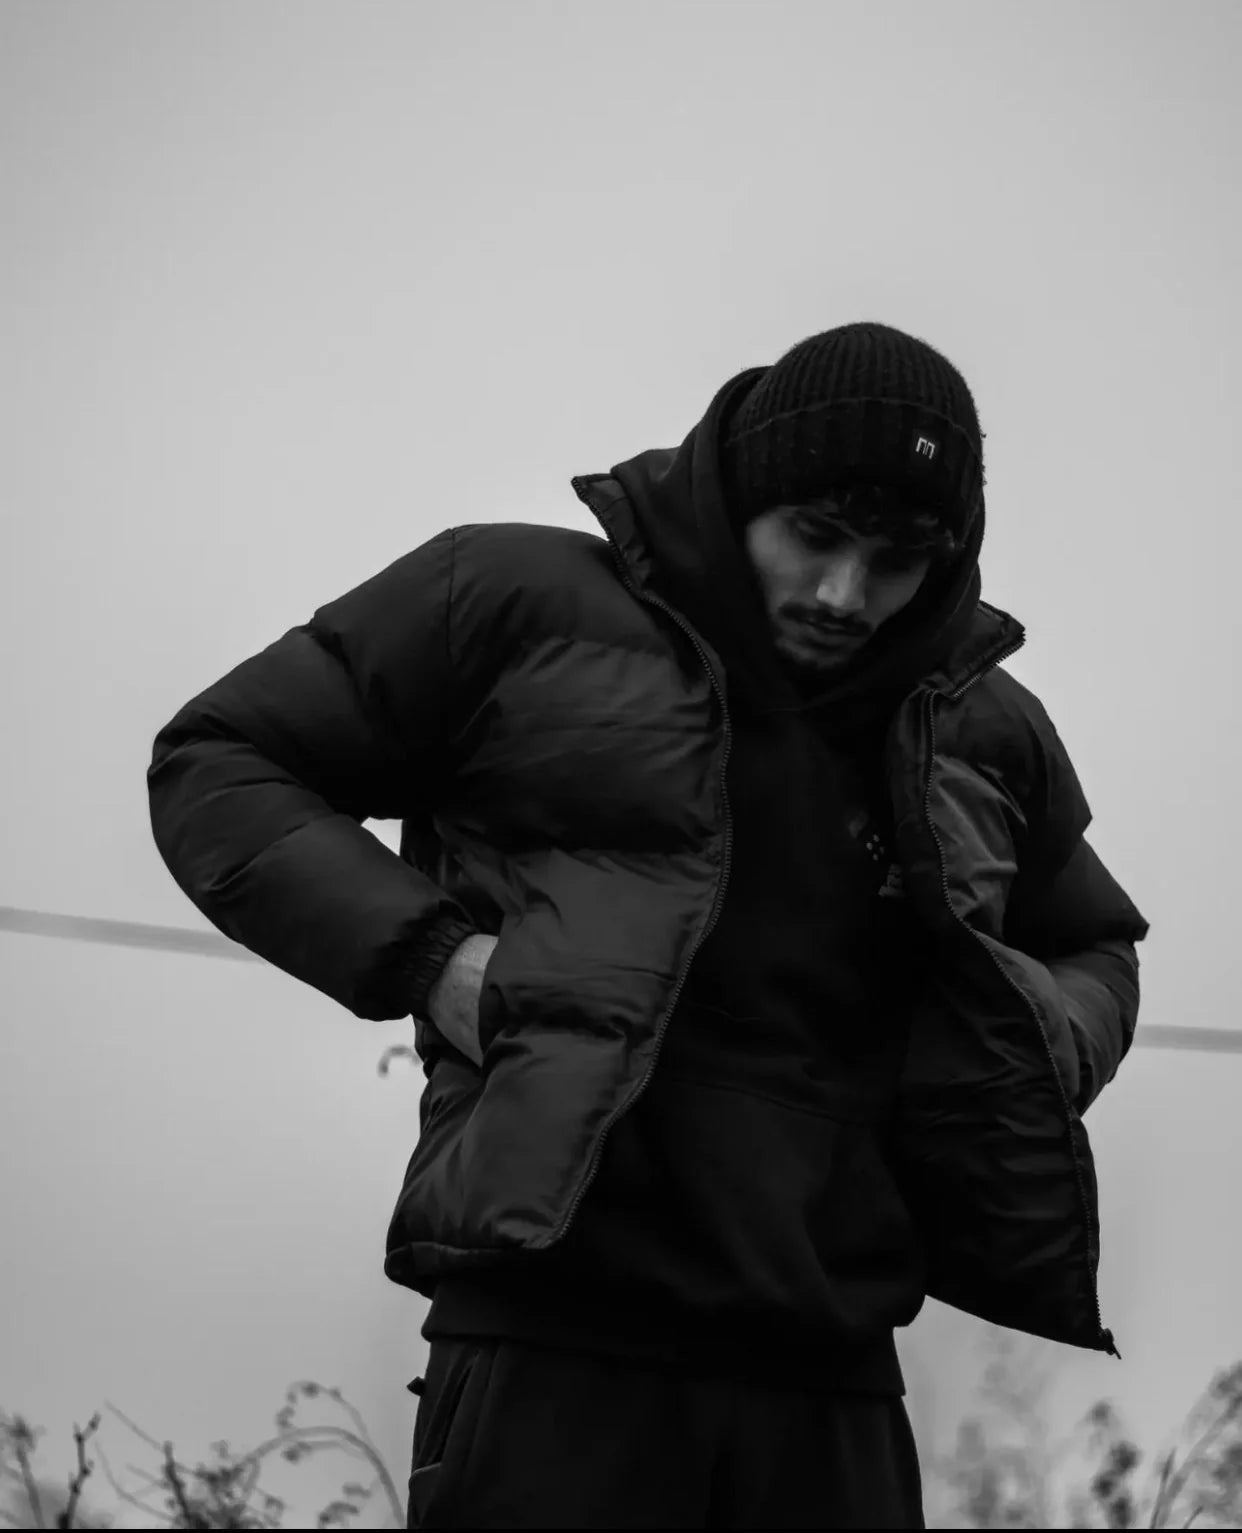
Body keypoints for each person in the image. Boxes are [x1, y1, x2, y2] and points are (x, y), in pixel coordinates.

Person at [147, 321, 1150, 1529]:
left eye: (895, 563)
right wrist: (436, 962)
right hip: (554, 1349)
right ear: (740, 498)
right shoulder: (516, 604)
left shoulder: (980, 728)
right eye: (815, 538)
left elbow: (1094, 949)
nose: (845, 594)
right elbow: (221, 762)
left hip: (835, 1382)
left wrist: (1019, 1058)